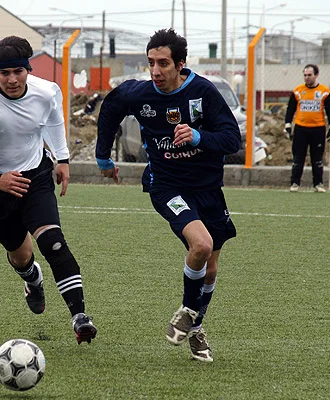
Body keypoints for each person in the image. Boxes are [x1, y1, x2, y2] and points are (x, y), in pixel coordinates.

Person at [95, 28, 240, 362]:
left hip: (207, 190)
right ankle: (189, 310)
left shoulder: (203, 92)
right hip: (166, 186)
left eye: (163, 63)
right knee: (200, 245)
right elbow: (111, 107)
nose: (156, 71)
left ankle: (195, 328)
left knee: (212, 269)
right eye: (151, 63)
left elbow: (233, 139)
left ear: (180, 64)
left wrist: (198, 136)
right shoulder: (140, 94)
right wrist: (104, 156)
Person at [0, 36, 97, 344]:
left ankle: (80, 317)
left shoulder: (46, 91)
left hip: (35, 177)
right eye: (5, 73)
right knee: (20, 254)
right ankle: (32, 280)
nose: (12, 79)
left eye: (18, 71)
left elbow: (53, 119)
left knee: (53, 242)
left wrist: (62, 158)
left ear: (28, 69)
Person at [284, 64, 330, 193]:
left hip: (318, 129)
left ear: (316, 75)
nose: (307, 78)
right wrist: (288, 125)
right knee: (298, 157)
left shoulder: (324, 91)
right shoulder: (297, 91)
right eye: (305, 75)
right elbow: (290, 109)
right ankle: (295, 183)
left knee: (317, 158)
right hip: (301, 128)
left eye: (309, 75)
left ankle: (318, 184)